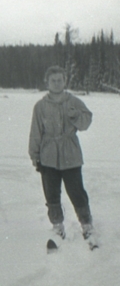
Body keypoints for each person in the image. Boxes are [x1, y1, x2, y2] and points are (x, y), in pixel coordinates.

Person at [29, 65, 95, 240]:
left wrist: (76, 117)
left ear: (65, 81)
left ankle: (87, 224)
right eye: (53, 80)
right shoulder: (40, 106)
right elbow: (35, 133)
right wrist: (35, 155)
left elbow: (86, 123)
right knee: (51, 193)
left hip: (71, 155)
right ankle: (57, 226)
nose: (57, 84)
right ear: (47, 82)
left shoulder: (73, 102)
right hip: (48, 156)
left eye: (60, 80)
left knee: (76, 191)